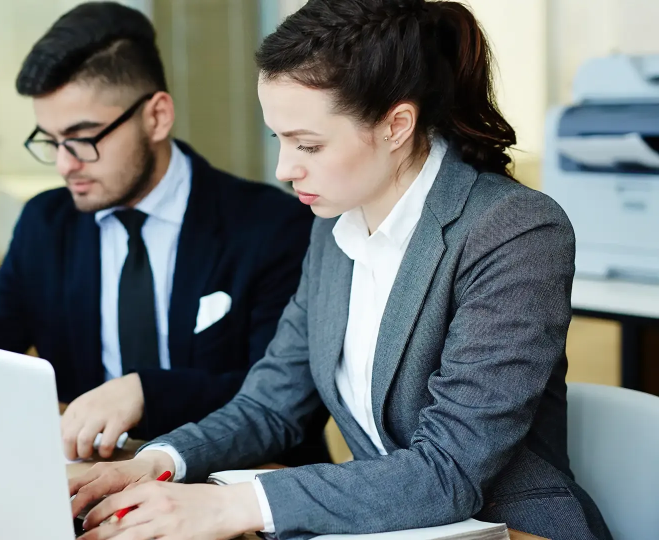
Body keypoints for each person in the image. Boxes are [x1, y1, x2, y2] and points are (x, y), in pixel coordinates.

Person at [67, 1, 612, 539]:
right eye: (278, 138)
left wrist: (228, 507)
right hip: (380, 526)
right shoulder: (334, 224)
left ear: (397, 124)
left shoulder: (513, 229)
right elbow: (271, 402)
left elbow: (450, 471)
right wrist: (158, 461)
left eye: (309, 144)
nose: (285, 168)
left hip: (510, 529)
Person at [0, 2, 323, 463]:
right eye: (51, 141)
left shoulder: (271, 226)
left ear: (157, 116)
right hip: (94, 470)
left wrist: (144, 393)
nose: (65, 164)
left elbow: (286, 395)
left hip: (238, 476)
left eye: (83, 138)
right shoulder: (47, 222)